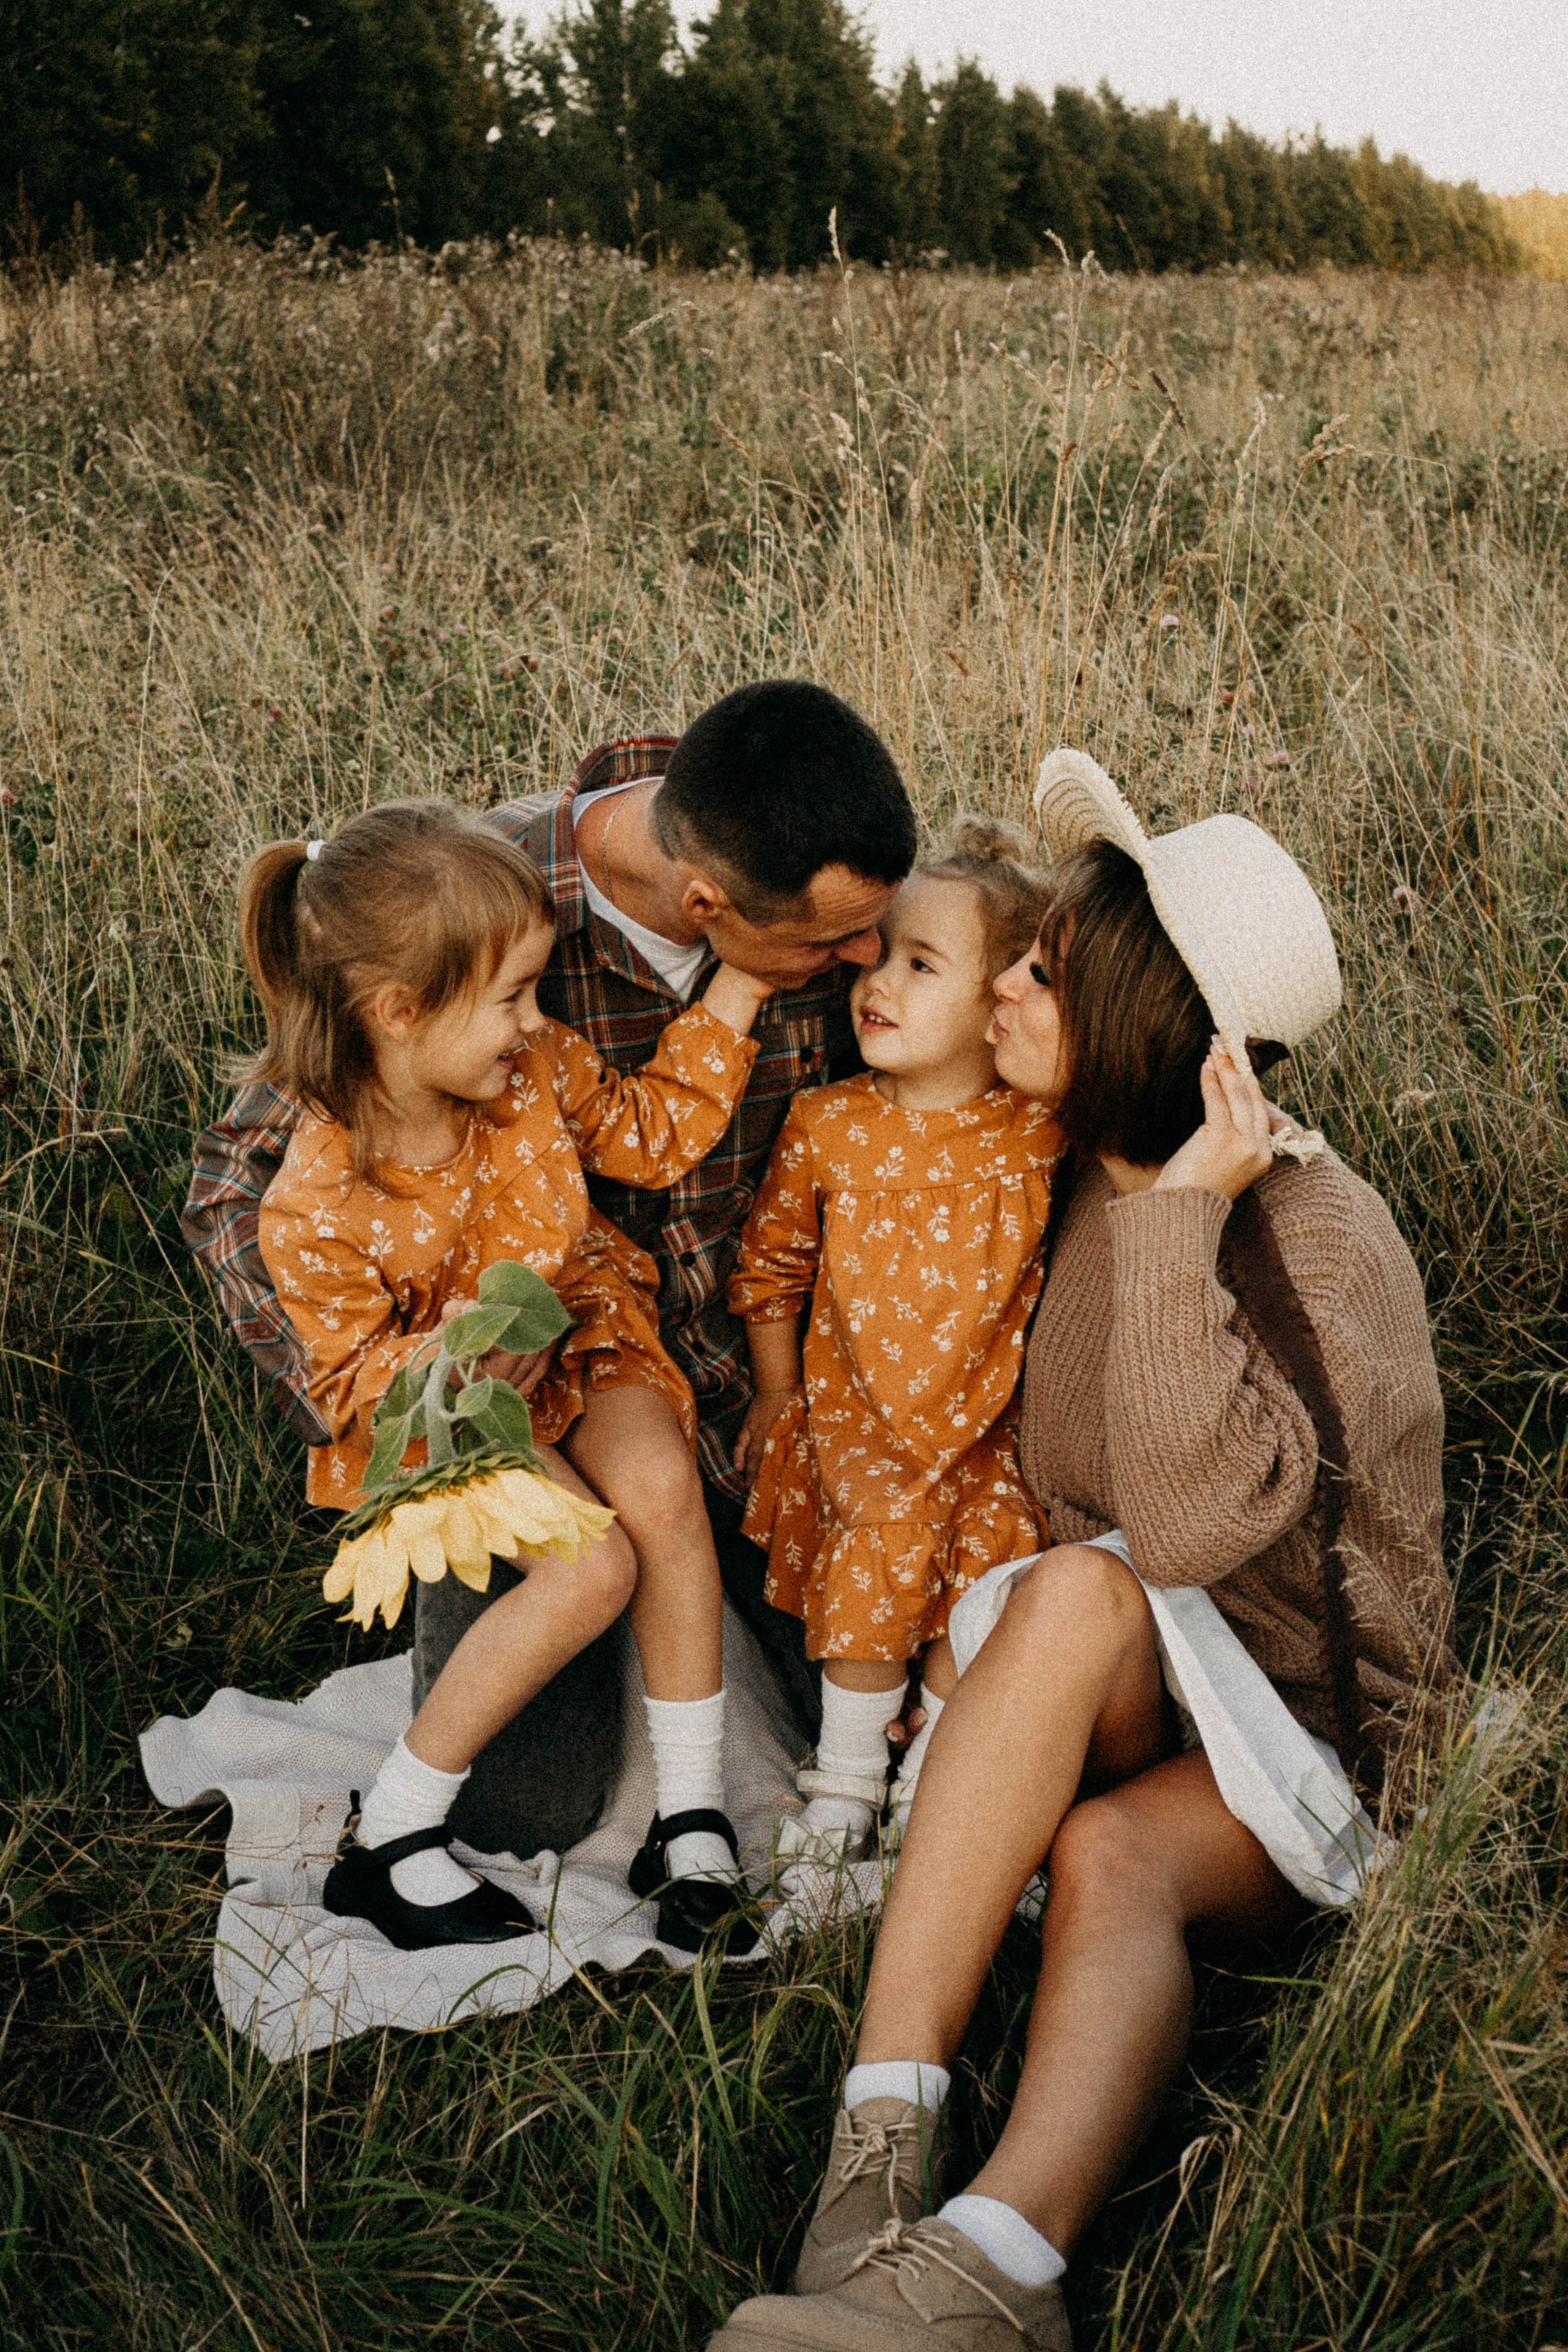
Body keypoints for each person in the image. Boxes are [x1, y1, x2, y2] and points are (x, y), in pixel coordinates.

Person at [713, 751, 1461, 2352]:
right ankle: (877, 2151)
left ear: (1140, 1019)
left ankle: (995, 2267)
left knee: (1113, 1846)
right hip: (1153, 1668)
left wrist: (1182, 1218)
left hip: (1324, 1738)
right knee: (1069, 1598)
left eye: (1045, 973)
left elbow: (1182, 1528)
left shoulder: (1312, 1246)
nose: (1005, 986)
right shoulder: (1074, 1168)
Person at [181, 682, 918, 1861]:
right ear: (705, 905)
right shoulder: (471, 911)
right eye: (828, 945)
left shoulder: (811, 890)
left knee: (854, 1696)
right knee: (527, 1809)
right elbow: (239, 1183)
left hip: (699, 1376)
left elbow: (670, 1129)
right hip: (487, 1403)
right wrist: (413, 1400)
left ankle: (693, 1817)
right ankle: (413, 1824)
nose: (866, 959)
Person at [245, 798, 780, 1951]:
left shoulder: (534, 1068)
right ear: (398, 1012)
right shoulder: (318, 1196)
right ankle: (393, 1834)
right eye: (512, 997)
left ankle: (689, 1819)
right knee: (591, 1570)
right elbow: (345, 1382)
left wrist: (739, 985)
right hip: (455, 1405)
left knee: (662, 1488)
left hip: (584, 1325)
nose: (536, 1021)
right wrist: (461, 1355)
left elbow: (645, 1133)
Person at [727, 819, 1061, 1863]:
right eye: (881, 956)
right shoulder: (830, 1124)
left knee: (997, 1568)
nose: (878, 983)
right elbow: (771, 1267)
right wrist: (776, 1393)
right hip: (858, 1422)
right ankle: (846, 1782)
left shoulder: (1036, 1128)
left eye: (922, 965)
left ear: (999, 1003)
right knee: (875, 1550)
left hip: (985, 1429)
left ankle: (934, 1783)